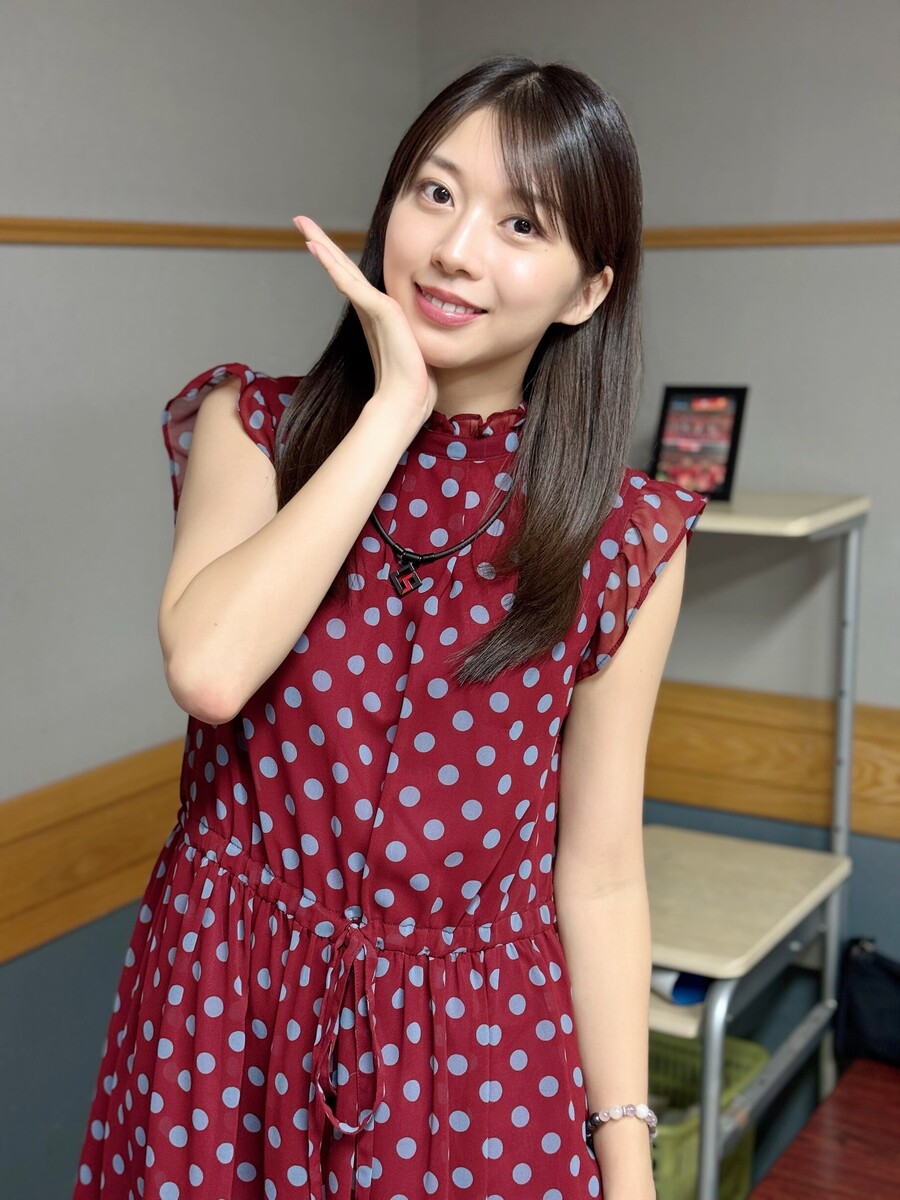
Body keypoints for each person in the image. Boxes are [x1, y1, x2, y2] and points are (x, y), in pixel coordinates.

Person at [73, 54, 707, 1200]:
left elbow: (603, 872)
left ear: (586, 290)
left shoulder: (623, 538)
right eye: (436, 192)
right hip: (223, 1016)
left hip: (478, 1050)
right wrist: (395, 406)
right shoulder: (253, 430)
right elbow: (210, 669)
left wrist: (627, 1156)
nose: (457, 249)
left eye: (522, 222)